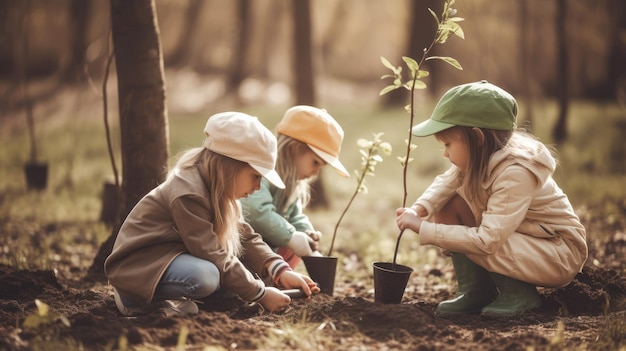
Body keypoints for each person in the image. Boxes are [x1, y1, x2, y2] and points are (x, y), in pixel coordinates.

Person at [395, 80, 588, 317]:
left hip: (558, 252)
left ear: (477, 138)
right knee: (448, 204)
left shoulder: (514, 173)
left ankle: (519, 294)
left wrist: (425, 229)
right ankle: (476, 291)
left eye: (447, 144)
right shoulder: (482, 156)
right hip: (524, 239)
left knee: (481, 237)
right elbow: (447, 182)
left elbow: (488, 241)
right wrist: (419, 209)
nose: (444, 153)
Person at [105, 112, 320, 317]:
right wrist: (260, 294)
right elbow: (213, 253)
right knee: (206, 276)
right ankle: (133, 300)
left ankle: (171, 301)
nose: (258, 187)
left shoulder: (220, 191)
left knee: (230, 283)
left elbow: (246, 235)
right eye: (255, 176)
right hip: (139, 267)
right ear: (229, 166)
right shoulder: (189, 193)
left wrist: (279, 270)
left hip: (171, 259)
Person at [240, 105, 350, 269]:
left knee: (292, 245)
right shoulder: (262, 172)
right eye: (315, 163)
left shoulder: (292, 184)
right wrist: (290, 236)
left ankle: (273, 278)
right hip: (243, 245)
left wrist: (305, 232)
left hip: (263, 248)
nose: (315, 173)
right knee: (288, 240)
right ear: (293, 150)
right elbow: (256, 212)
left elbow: (294, 216)